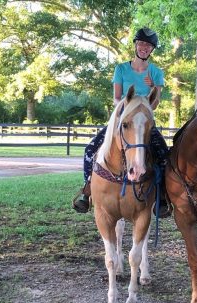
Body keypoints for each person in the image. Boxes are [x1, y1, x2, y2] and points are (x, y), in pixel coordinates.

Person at [72, 27, 172, 217]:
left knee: (163, 154)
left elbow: (155, 103)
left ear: (152, 49)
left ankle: (162, 197)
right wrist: (128, 108)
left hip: (144, 122)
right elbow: (117, 98)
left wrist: (154, 89)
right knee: (90, 149)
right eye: (141, 43)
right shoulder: (121, 69)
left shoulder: (156, 73)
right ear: (135, 45)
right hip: (122, 119)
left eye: (148, 45)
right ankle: (87, 190)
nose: (144, 47)